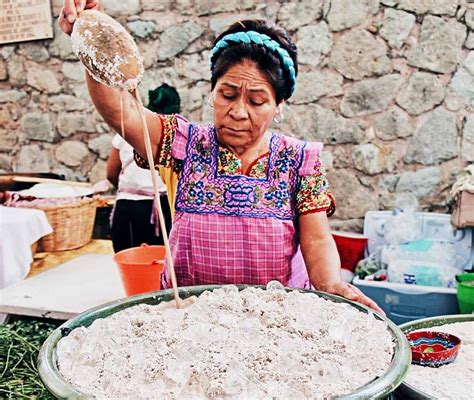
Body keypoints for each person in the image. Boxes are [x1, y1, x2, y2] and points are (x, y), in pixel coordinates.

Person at [59, 0, 382, 313]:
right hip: (190, 314)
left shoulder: (298, 160)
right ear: (213, 91)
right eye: (227, 95)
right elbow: (123, 112)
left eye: (257, 101)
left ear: (279, 106)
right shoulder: (185, 144)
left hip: (275, 320)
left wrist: (330, 284)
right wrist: (90, 37)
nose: (238, 112)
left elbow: (317, 238)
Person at [106, 84, 178, 252]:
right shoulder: (177, 134)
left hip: (127, 208)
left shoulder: (127, 131)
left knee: (129, 267)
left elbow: (111, 172)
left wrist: (130, 189)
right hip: (161, 209)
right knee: (162, 268)